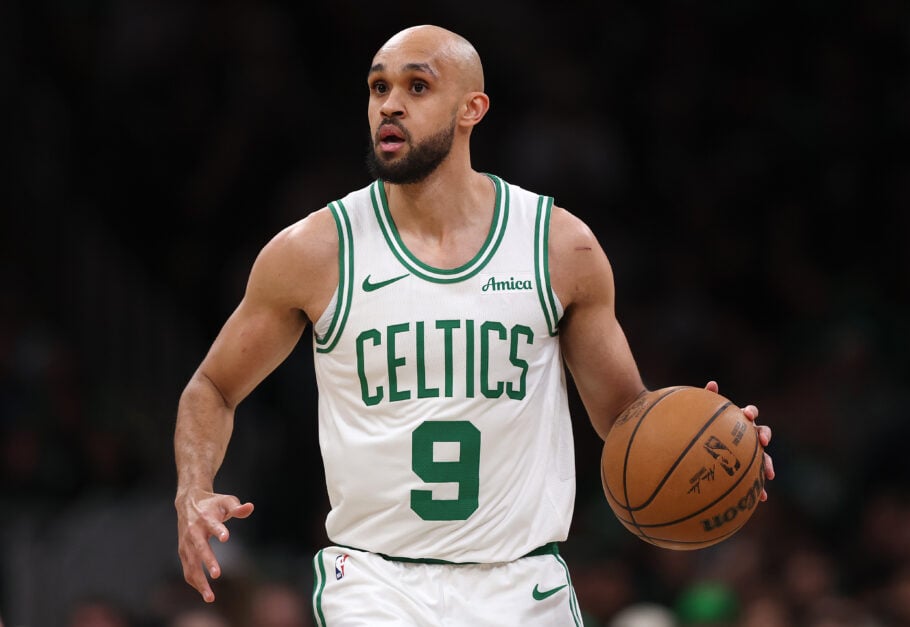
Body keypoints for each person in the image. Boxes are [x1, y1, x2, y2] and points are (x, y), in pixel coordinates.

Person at [174, 24, 775, 626]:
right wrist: (193, 488)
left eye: (417, 85)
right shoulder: (314, 251)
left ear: (472, 108)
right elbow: (213, 388)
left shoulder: (558, 247)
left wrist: (713, 438)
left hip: (522, 582)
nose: (390, 103)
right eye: (378, 86)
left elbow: (626, 416)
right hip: (378, 584)